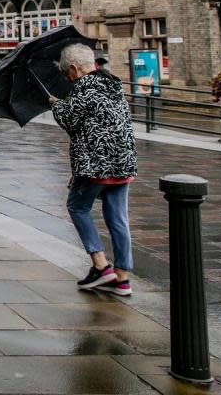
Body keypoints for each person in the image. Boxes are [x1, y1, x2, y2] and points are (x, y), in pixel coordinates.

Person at [48, 43, 137, 296]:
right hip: (123, 164)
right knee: (118, 218)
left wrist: (56, 103)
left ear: (75, 69)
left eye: (68, 75)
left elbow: (69, 121)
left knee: (77, 207)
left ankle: (101, 265)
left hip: (95, 165)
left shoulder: (83, 89)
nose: (69, 79)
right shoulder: (113, 85)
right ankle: (122, 279)